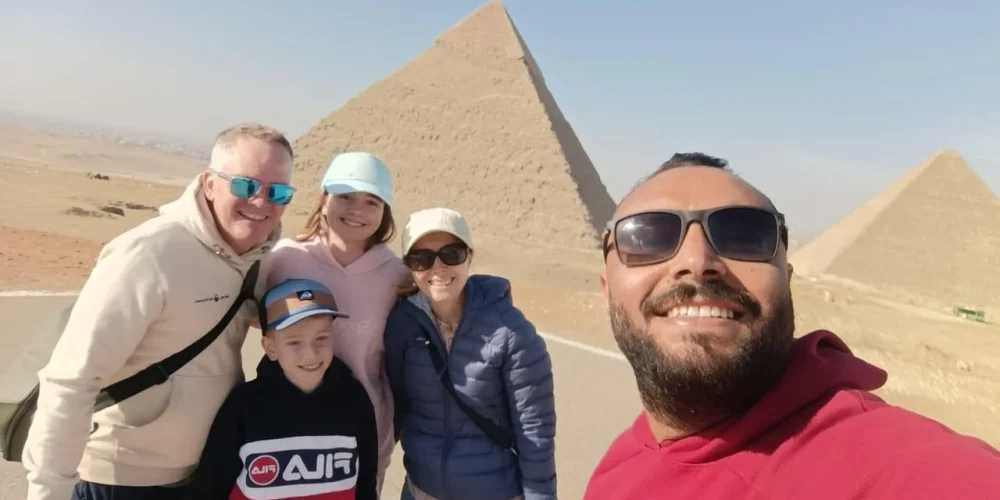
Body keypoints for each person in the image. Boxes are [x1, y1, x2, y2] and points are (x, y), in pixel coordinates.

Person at [584, 152, 1000, 499]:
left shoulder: (888, 467)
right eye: (648, 237)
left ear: (787, 280)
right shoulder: (618, 463)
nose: (697, 261)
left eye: (744, 235)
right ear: (606, 290)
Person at [22, 123, 295, 500]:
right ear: (210, 184)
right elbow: (72, 380)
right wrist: (49, 492)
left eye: (278, 192)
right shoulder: (149, 253)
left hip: (206, 472)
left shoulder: (258, 261)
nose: (262, 203)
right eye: (246, 186)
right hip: (122, 481)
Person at [384, 207, 557, 500]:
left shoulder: (511, 330)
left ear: (470, 257)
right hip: (421, 490)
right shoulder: (402, 324)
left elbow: (535, 433)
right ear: (410, 267)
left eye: (451, 254)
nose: (438, 268)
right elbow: (397, 406)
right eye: (422, 259)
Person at [264, 151, 409, 492]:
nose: (357, 210)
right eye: (346, 196)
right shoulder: (284, 260)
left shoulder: (398, 277)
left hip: (363, 436)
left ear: (385, 212)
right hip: (283, 432)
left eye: (372, 202)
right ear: (324, 199)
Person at [185, 278, 378, 500]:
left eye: (321, 338)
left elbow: (365, 482)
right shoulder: (244, 406)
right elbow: (211, 485)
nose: (311, 354)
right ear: (270, 348)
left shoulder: (353, 398)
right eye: (294, 342)